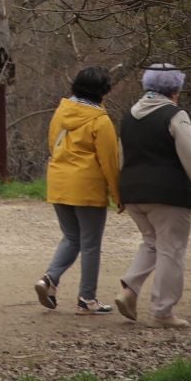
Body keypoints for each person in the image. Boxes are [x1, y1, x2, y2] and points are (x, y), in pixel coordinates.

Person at [116, 64, 191, 328]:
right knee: (171, 250)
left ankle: (129, 289)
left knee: (151, 242)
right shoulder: (175, 115)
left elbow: (121, 156)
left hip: (132, 191)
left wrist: (120, 191)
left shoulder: (128, 116)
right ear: (175, 89)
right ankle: (163, 312)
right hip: (168, 194)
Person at [35, 67, 121, 315]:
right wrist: (118, 195)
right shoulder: (100, 120)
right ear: (103, 91)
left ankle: (49, 280)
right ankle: (87, 298)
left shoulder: (61, 111)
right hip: (87, 185)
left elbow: (53, 143)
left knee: (71, 237)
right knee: (91, 243)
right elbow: (110, 161)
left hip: (58, 180)